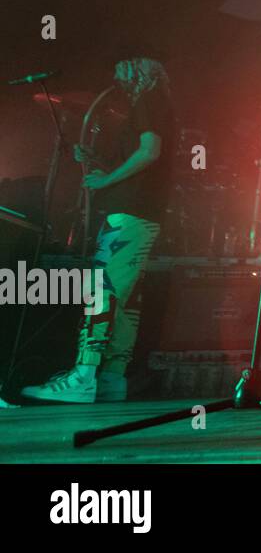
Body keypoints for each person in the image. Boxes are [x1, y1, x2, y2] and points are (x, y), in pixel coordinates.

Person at [21, 50, 175, 404]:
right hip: (139, 213)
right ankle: (111, 377)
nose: (116, 78)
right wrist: (98, 163)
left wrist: (105, 182)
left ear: (135, 70)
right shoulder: (157, 101)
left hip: (131, 214)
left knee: (101, 289)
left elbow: (149, 152)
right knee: (122, 297)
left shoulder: (149, 100)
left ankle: (84, 374)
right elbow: (144, 158)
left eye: (122, 70)